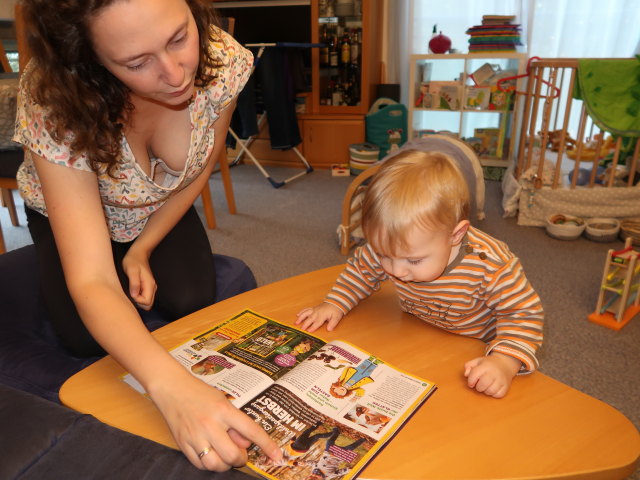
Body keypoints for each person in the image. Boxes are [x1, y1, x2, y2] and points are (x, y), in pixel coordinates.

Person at [14, 0, 280, 471]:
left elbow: (200, 164)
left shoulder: (225, 60)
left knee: (193, 300)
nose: (177, 73)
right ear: (90, 60)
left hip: (155, 207)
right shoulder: (54, 96)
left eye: (179, 38)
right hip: (69, 211)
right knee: (85, 341)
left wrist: (143, 247)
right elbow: (93, 280)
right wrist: (174, 391)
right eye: (137, 62)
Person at [296, 150, 544, 399]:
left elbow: (524, 315)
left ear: (455, 235)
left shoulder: (491, 264)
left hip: (476, 348)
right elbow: (361, 270)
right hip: (419, 331)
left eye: (413, 260)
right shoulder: (392, 247)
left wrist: (504, 362)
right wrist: (335, 303)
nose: (396, 270)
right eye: (384, 255)